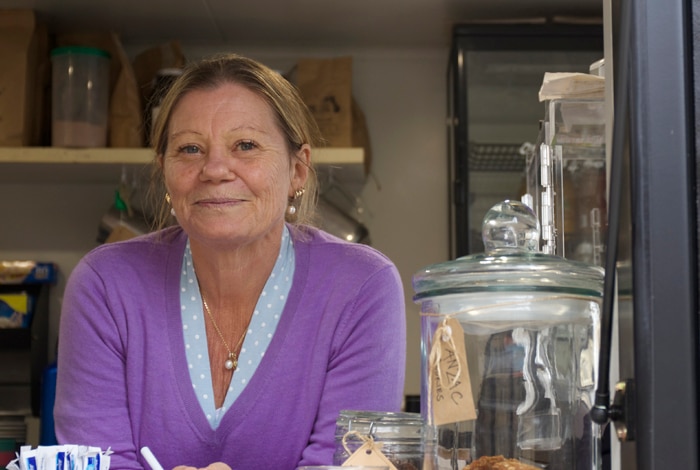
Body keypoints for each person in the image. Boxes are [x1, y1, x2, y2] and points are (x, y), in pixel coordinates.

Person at [54, 53, 407, 470]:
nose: (215, 169)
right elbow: (95, 462)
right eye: (189, 148)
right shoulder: (105, 285)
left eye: (246, 145)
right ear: (165, 172)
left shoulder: (362, 287)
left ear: (297, 170)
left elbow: (345, 466)